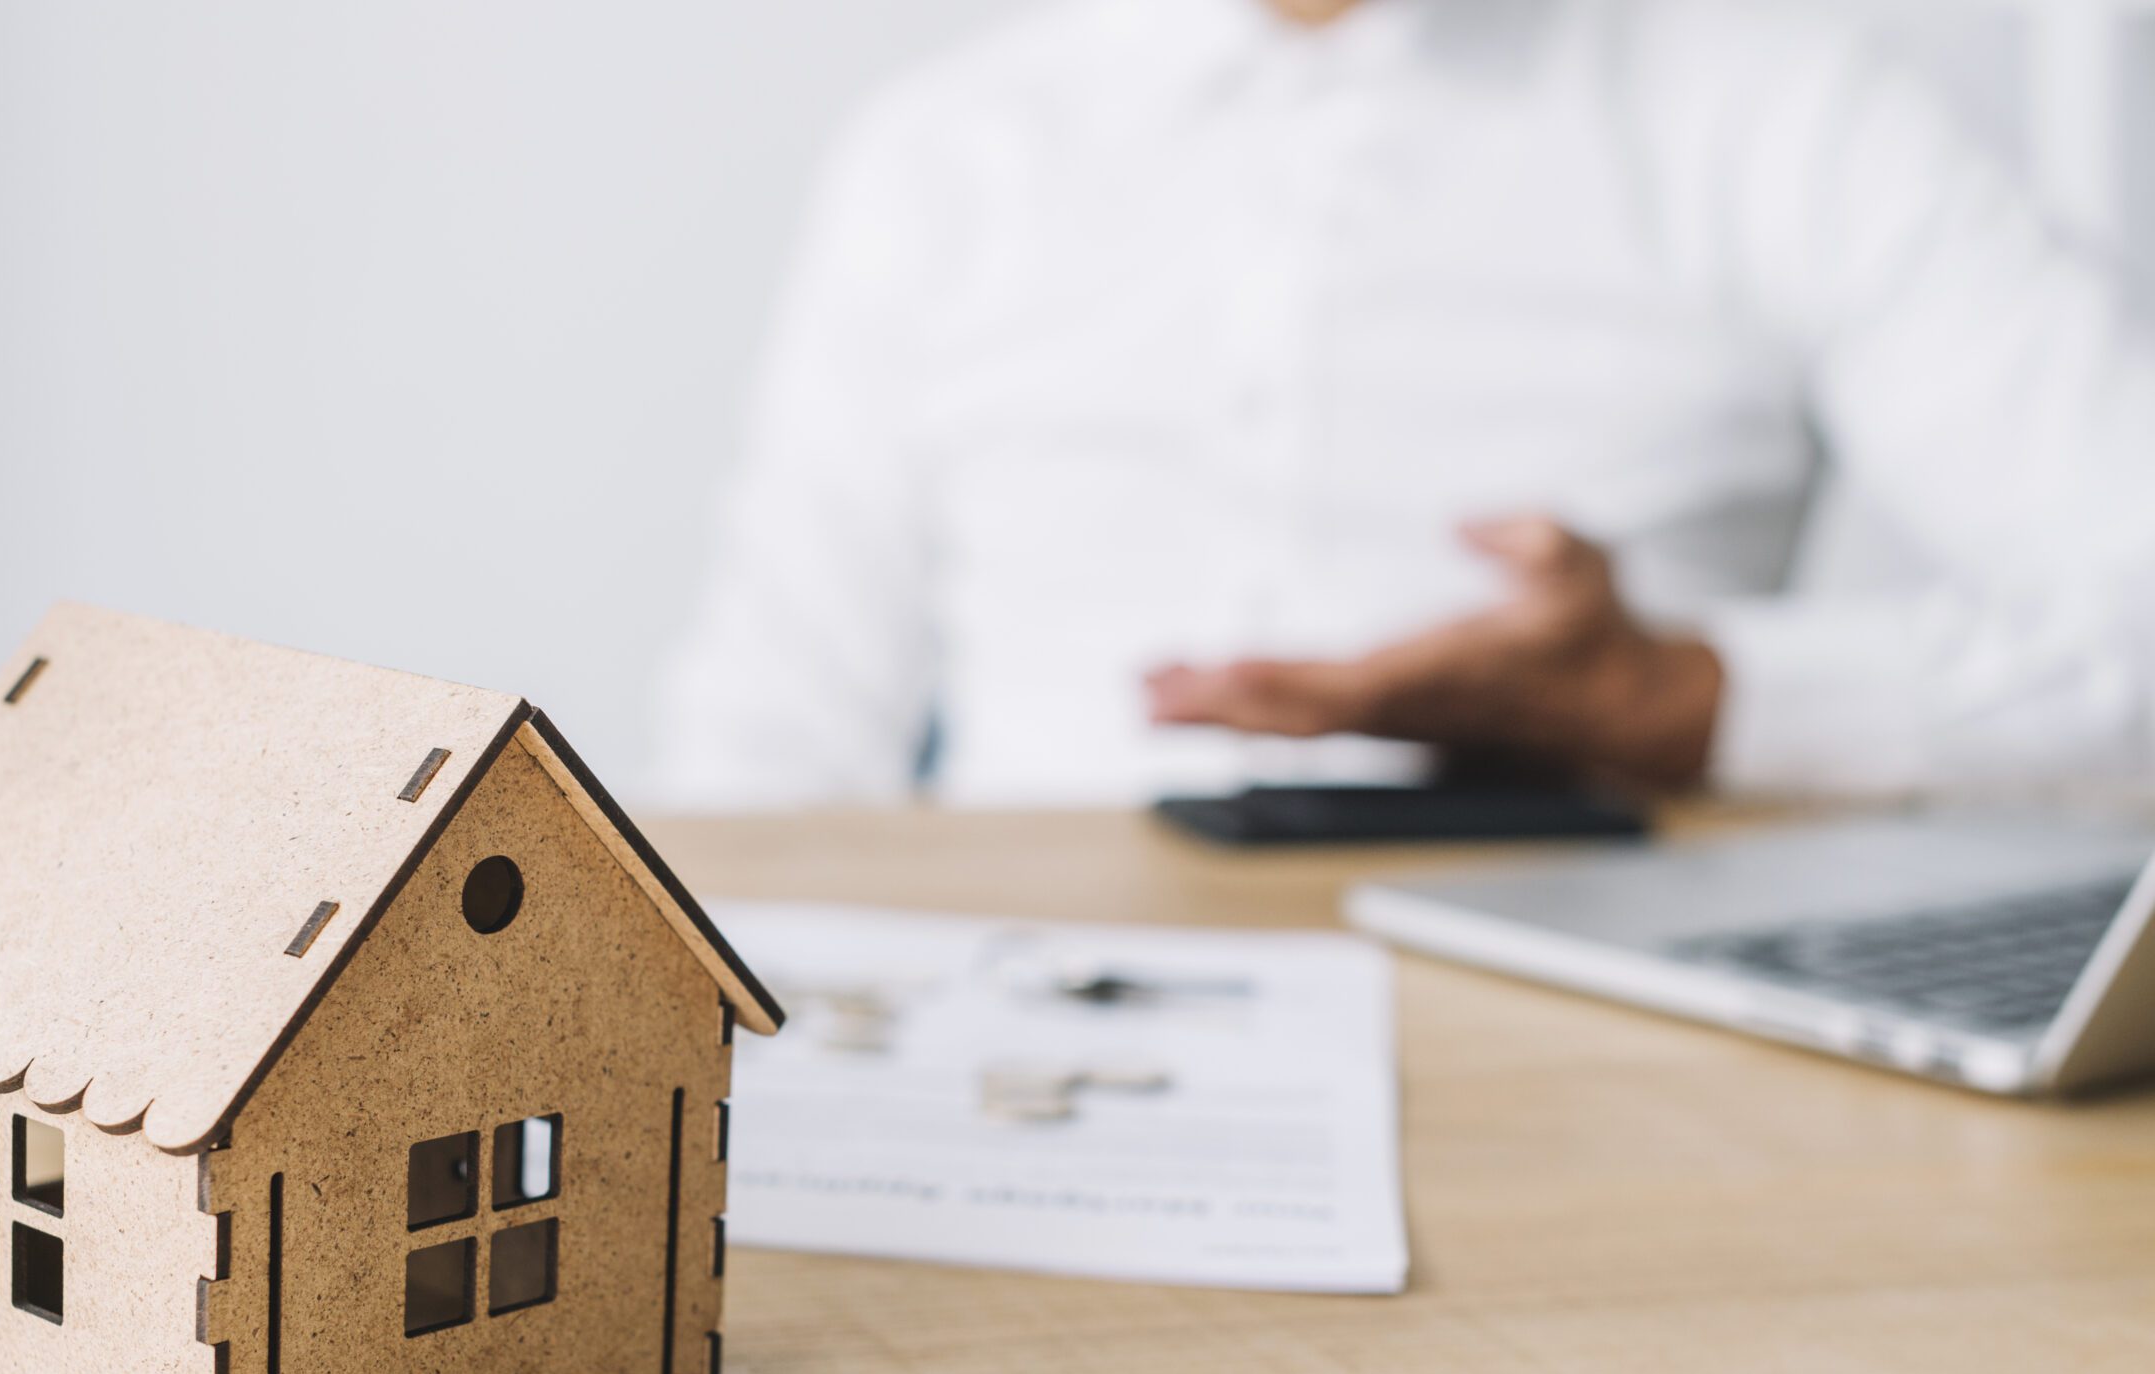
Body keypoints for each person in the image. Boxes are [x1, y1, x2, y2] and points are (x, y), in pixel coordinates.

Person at [655, 0, 2155, 809]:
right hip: (1009, 1037)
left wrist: (1692, 702)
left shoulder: (1793, 114)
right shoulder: (943, 156)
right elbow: (770, 743)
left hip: (1615, 1080)